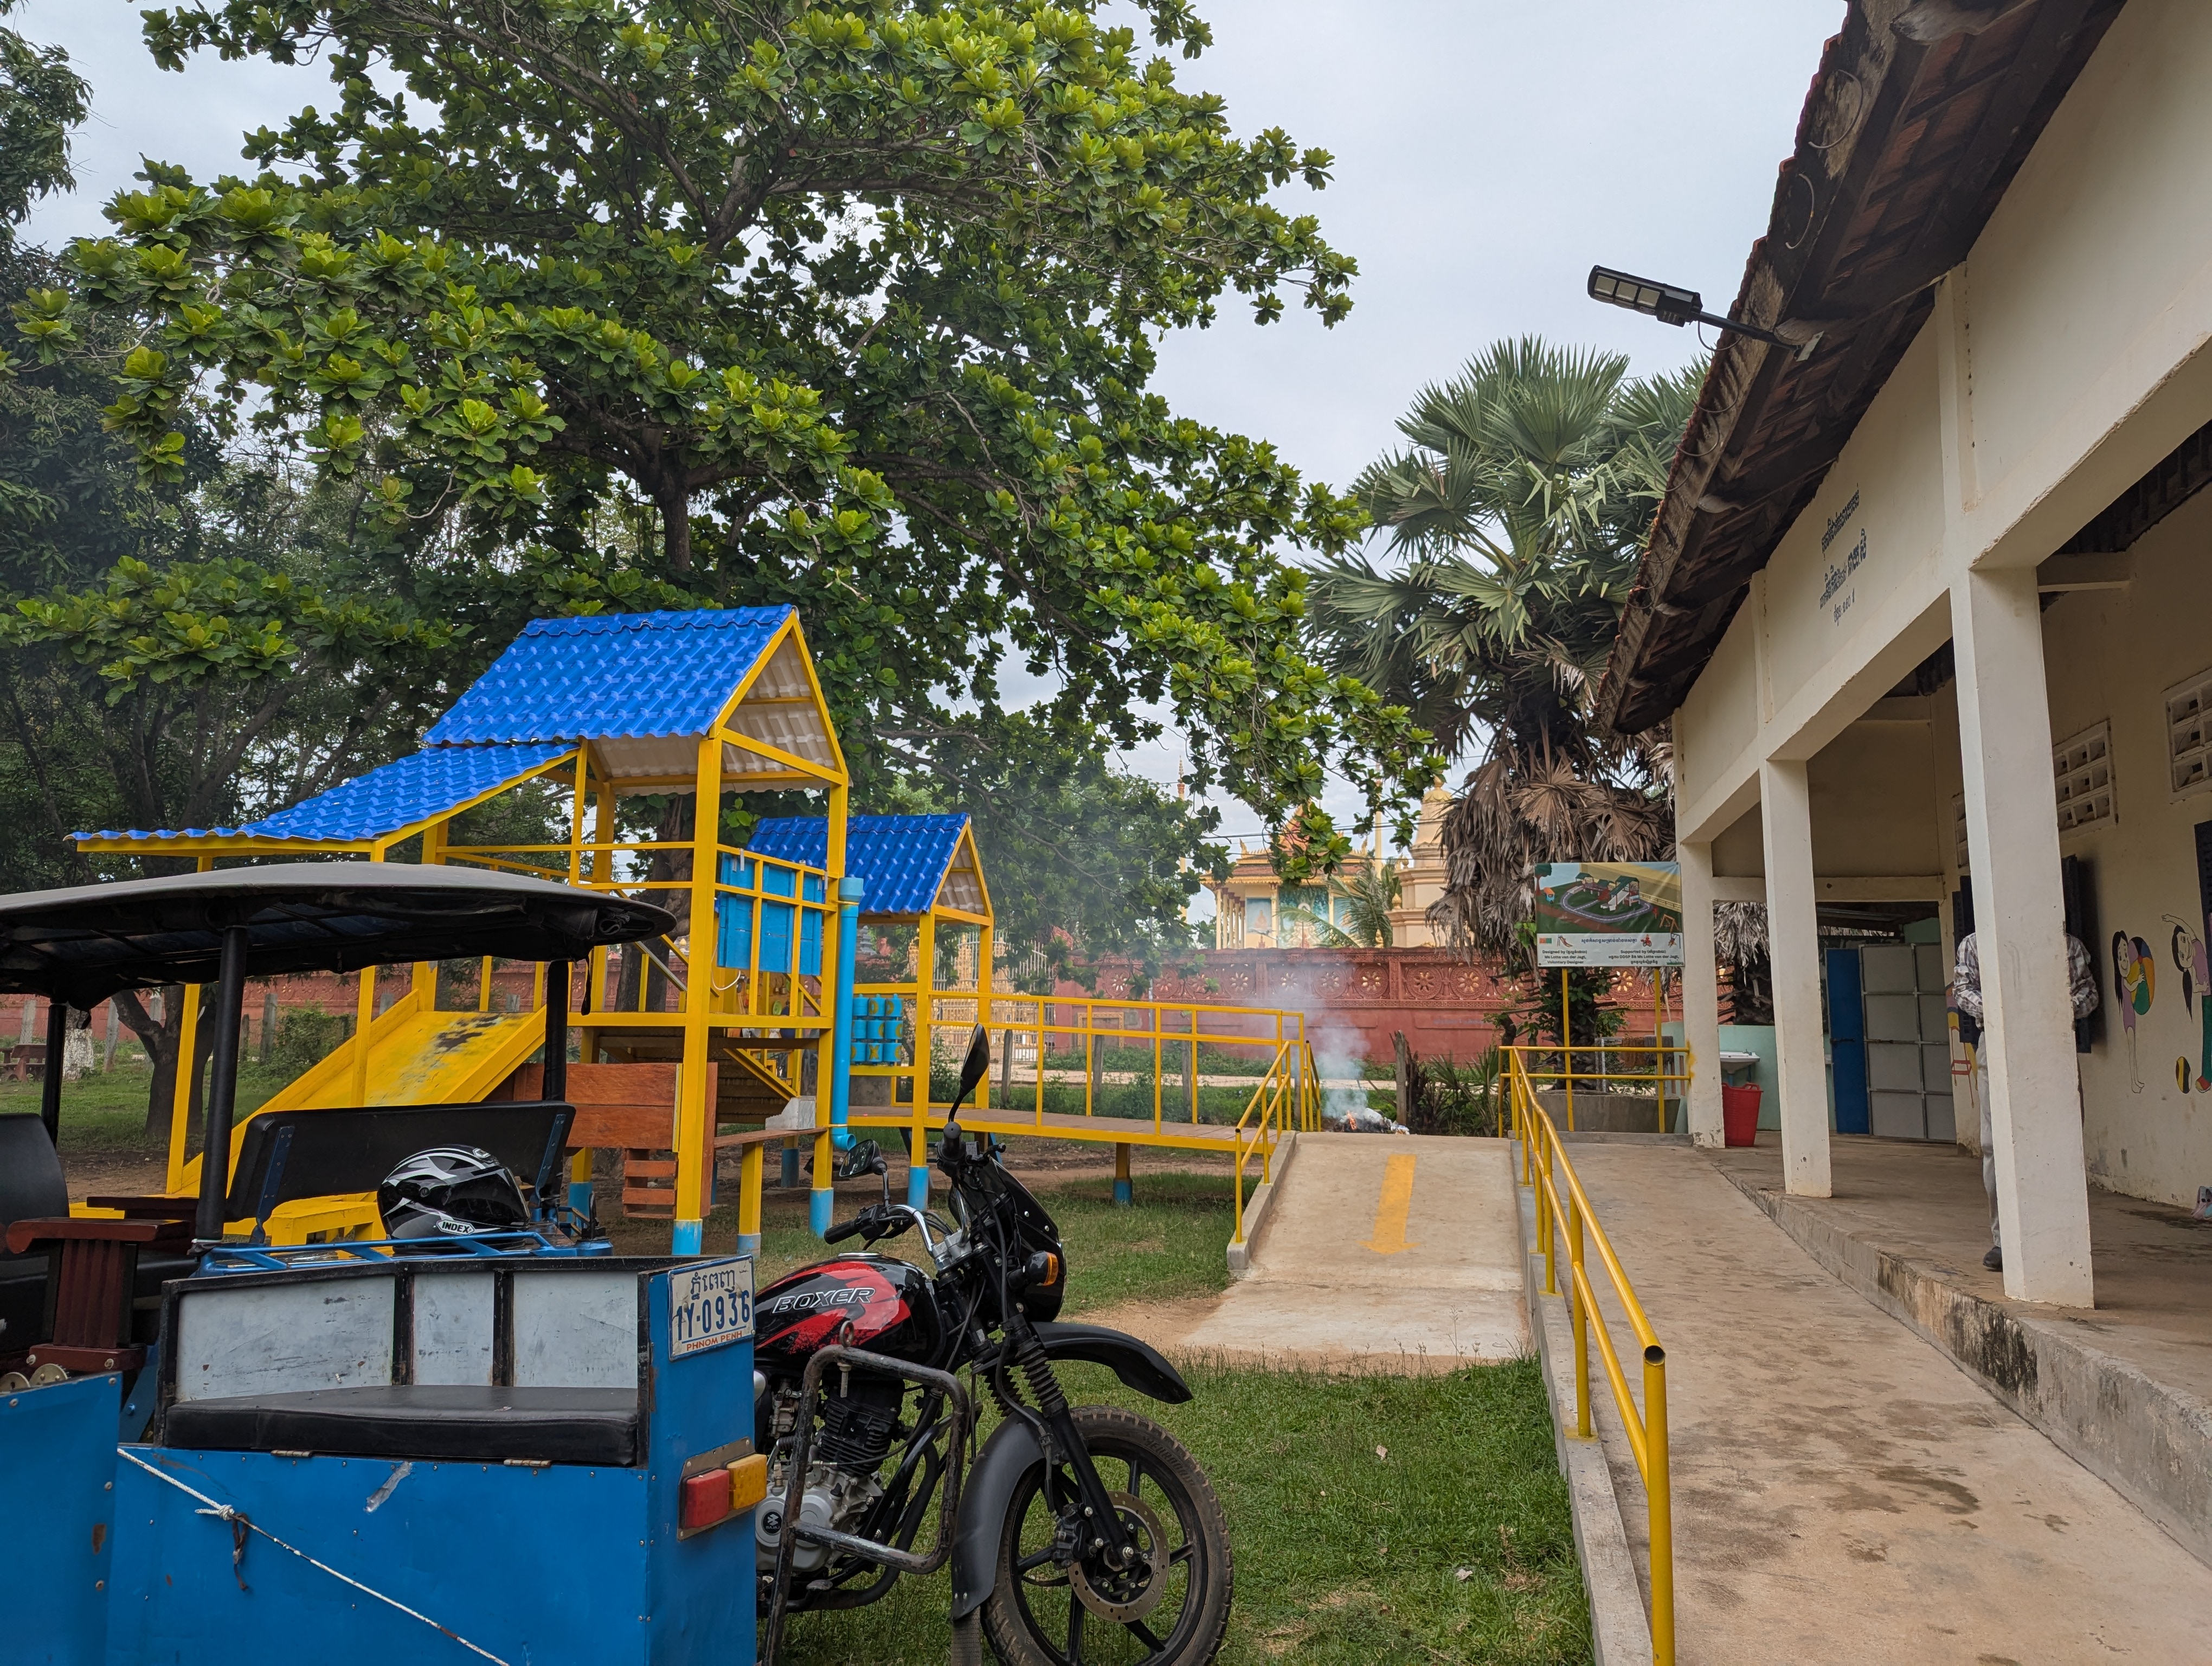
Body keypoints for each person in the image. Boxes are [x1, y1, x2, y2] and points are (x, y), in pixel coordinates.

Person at [1951, 930, 2098, 1271]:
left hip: (2052, 1041)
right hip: (1997, 1040)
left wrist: (2049, 1011)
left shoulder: (2065, 943)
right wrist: (2008, 1012)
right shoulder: (1976, 943)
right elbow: (1963, 990)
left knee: (2060, 1140)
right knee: (1993, 1144)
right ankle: (2005, 1240)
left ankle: (2061, 1237)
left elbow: (2088, 994)